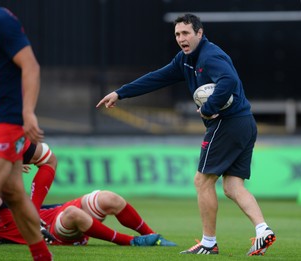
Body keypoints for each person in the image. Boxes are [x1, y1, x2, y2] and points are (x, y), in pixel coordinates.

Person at [96, 13, 276, 256]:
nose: (181, 38)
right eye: (178, 34)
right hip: (244, 123)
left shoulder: (210, 55)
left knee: (202, 181)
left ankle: (208, 243)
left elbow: (229, 80)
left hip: (228, 122)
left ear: (199, 33)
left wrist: (209, 108)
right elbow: (156, 78)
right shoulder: (184, 60)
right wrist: (121, 93)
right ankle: (263, 229)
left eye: (186, 33)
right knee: (232, 186)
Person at [0, 3, 52, 260]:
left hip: (5, 118)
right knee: (14, 194)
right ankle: (42, 256)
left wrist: (28, 112)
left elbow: (31, 66)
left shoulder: (0, 20)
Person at [0, 190, 176, 247]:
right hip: (53, 231)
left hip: (52, 213)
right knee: (73, 213)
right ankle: (132, 242)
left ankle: (154, 237)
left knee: (110, 198)